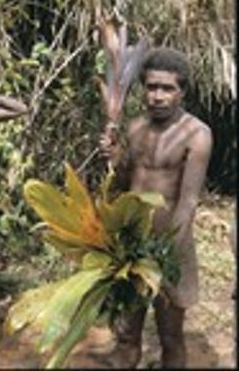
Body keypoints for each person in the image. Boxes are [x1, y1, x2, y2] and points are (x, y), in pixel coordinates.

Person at [97, 47, 213, 368]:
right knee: (126, 335)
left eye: (167, 88)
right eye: (151, 87)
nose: (158, 96)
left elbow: (187, 201)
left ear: (182, 92)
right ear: (143, 88)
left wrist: (165, 258)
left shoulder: (197, 134)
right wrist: (114, 157)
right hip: (131, 246)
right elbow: (123, 183)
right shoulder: (135, 128)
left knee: (171, 337)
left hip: (171, 247)